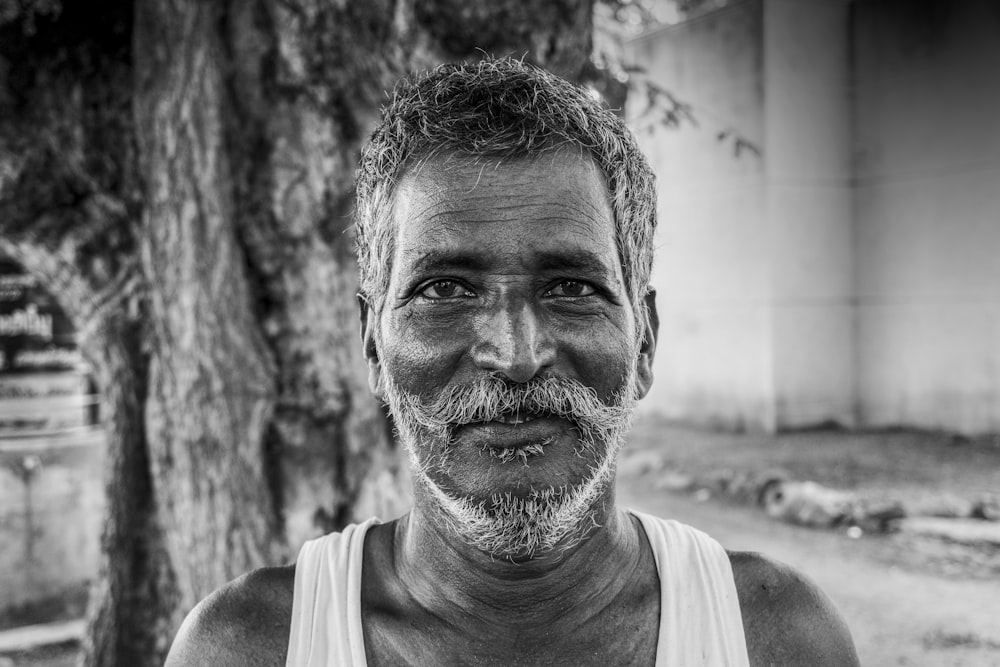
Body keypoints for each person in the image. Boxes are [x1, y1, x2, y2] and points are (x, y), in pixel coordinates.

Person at [165, 57, 859, 666]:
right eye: (444, 289)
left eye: (571, 287)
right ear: (374, 345)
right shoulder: (248, 647)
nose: (516, 354)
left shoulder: (776, 638)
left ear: (645, 339)